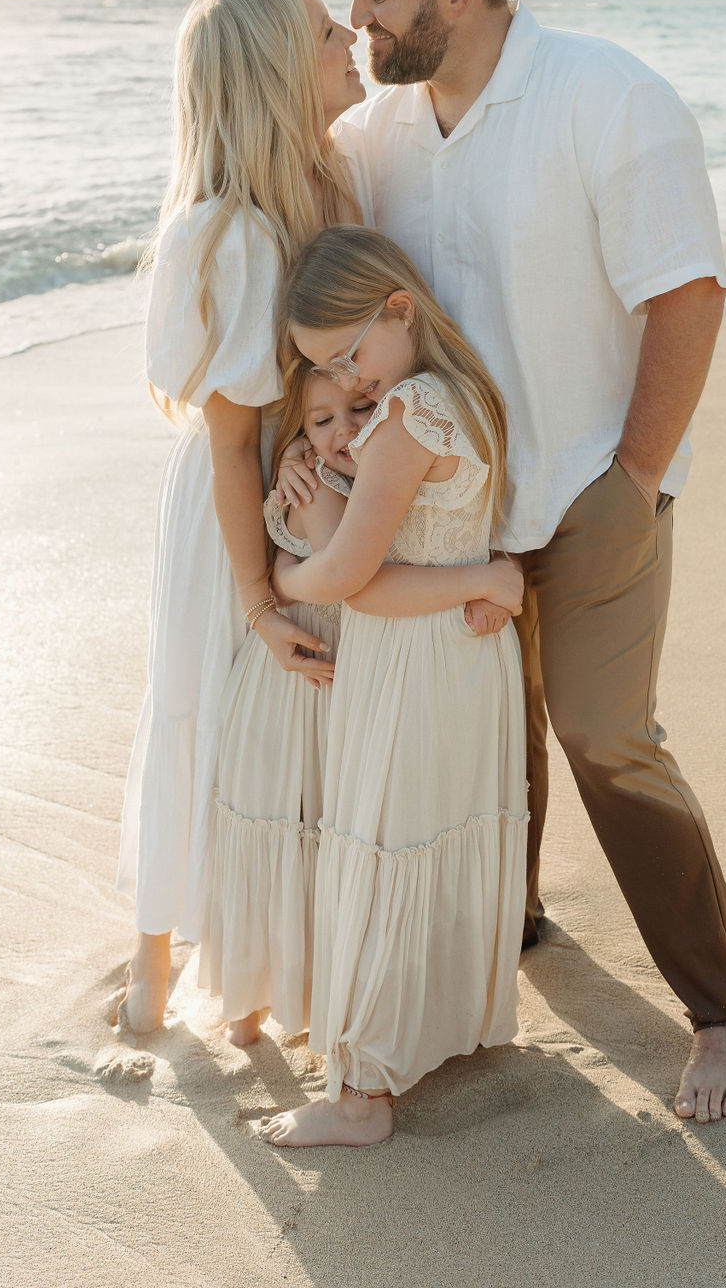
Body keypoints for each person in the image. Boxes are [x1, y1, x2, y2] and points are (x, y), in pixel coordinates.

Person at [333, 0, 726, 1124]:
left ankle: (725, 1012)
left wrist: (634, 479)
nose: (356, 15)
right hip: (452, 508)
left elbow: (685, 293)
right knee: (492, 737)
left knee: (600, 734)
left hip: (590, 482)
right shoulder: (380, 133)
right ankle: (506, 931)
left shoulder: (606, 96)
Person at [113, 0, 369, 1033]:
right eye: (322, 32)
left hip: (300, 495)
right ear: (274, 72)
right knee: (199, 707)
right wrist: (258, 597)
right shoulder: (227, 235)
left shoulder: (334, 187)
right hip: (232, 514)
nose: (349, 33)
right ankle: (154, 954)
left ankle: (257, 957)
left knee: (281, 732)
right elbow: (228, 442)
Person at [259, 225, 528, 1148]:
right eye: (327, 368)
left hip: (413, 659)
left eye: (348, 353)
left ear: (399, 309)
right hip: (462, 659)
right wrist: (486, 577)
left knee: (381, 844)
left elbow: (346, 576)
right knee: (438, 832)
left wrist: (274, 591)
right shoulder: (462, 392)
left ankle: (362, 1097)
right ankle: (446, 1031)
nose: (349, 379)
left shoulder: (409, 414)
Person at [201, 367, 523, 1047]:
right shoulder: (313, 487)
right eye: (321, 421)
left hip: (344, 676)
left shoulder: (374, 475)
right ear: (299, 433)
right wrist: (484, 579)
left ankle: (317, 995)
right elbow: (360, 581)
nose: (345, 429)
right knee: (288, 823)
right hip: (303, 679)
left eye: (360, 407)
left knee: (326, 836)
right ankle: (256, 1001)